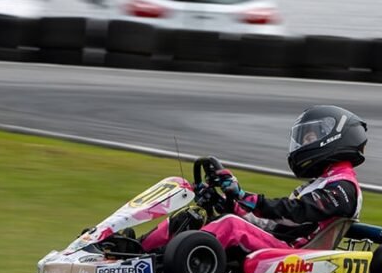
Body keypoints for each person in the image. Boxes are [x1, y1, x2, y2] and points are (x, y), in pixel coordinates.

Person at [141, 105, 368, 254]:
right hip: (280, 241)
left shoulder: (344, 186)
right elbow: (272, 224)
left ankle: (166, 257)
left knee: (230, 225)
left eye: (309, 138)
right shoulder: (320, 183)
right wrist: (228, 202)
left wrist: (244, 196)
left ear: (334, 139)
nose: (303, 144)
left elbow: (294, 212)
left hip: (295, 252)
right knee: (193, 216)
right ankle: (136, 248)